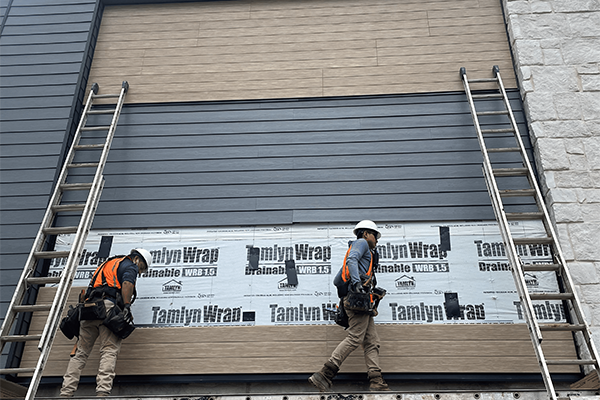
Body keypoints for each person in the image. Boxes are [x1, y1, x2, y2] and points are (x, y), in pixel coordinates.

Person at [309, 220, 390, 392]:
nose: (377, 240)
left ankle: (376, 381)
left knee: (371, 342)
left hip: (360, 301)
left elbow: (338, 280)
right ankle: (325, 374)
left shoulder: (362, 254)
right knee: (355, 338)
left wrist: (364, 288)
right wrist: (357, 285)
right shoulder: (361, 244)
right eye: (375, 236)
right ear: (366, 233)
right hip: (357, 301)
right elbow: (352, 260)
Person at [60, 248, 152, 398]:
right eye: (141, 268)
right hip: (108, 308)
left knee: (80, 353)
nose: (139, 272)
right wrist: (127, 306)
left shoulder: (108, 263)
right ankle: (102, 393)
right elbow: (128, 284)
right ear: (137, 259)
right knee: (109, 350)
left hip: (89, 310)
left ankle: (66, 392)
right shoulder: (130, 265)